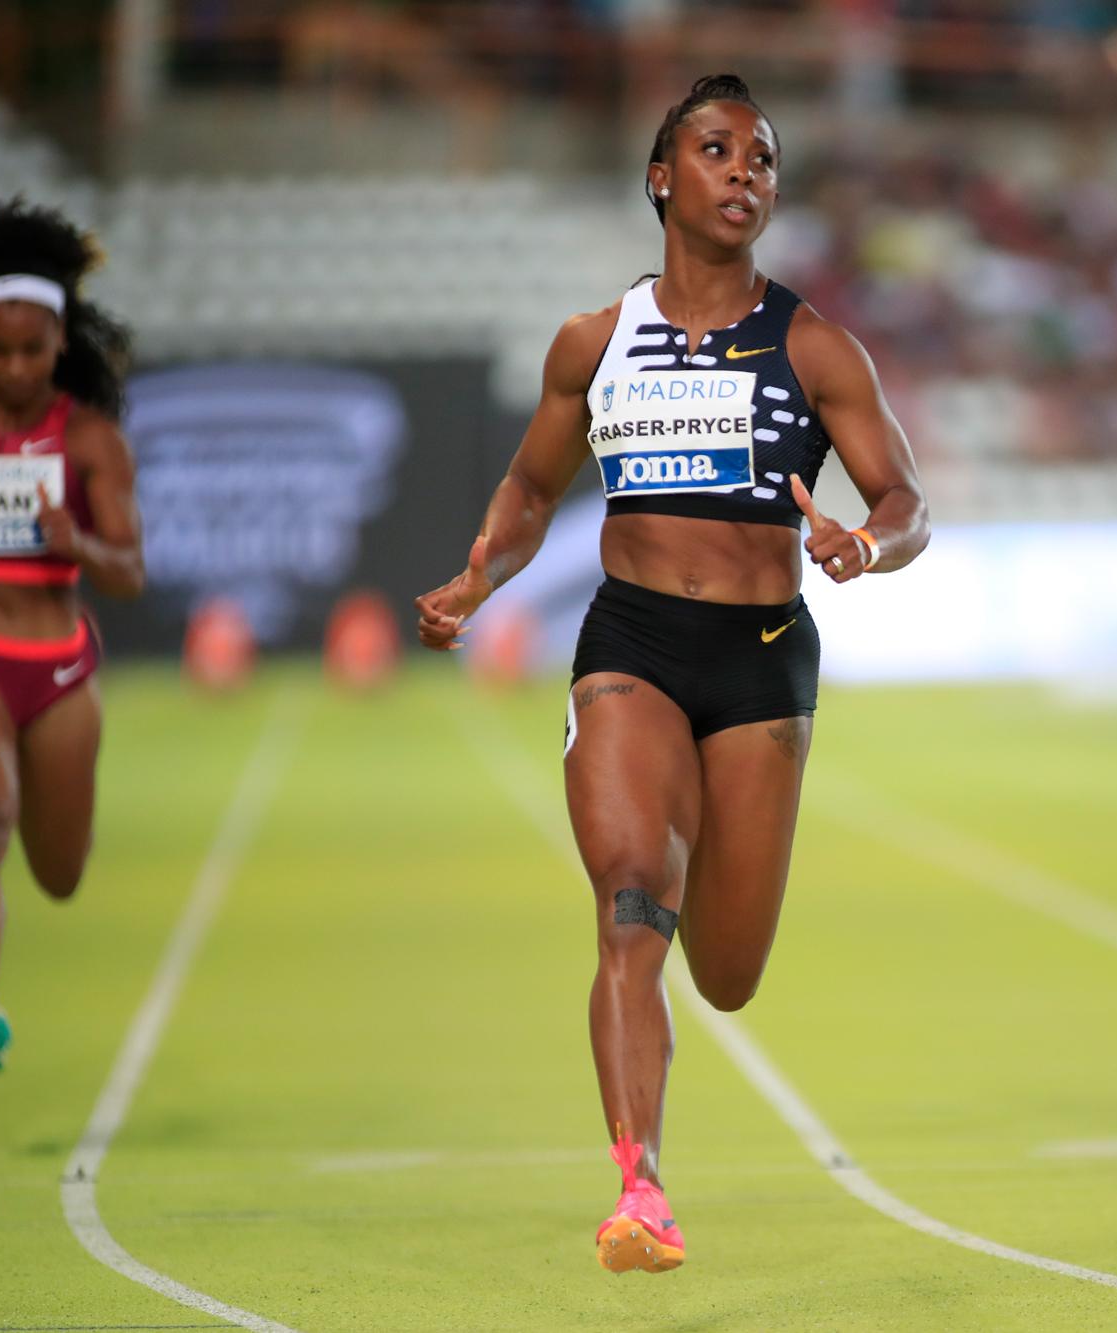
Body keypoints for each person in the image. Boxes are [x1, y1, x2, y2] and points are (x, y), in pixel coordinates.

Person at [414, 74, 927, 1272]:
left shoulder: (813, 344)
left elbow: (905, 499)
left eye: (762, 157)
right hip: (630, 646)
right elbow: (534, 488)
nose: (743, 170)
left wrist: (867, 544)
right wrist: (479, 577)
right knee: (631, 898)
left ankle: (655, 1124)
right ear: (660, 178)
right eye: (715, 149)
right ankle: (639, 1185)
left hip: (760, 663)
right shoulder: (594, 342)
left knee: (729, 974)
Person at [0, 199, 145, 1074]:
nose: (15, 368)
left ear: (60, 344)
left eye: (32, 350)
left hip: (55, 670)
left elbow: (129, 571)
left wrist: (79, 543)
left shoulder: (89, 441)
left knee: (58, 872)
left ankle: (2, 939)